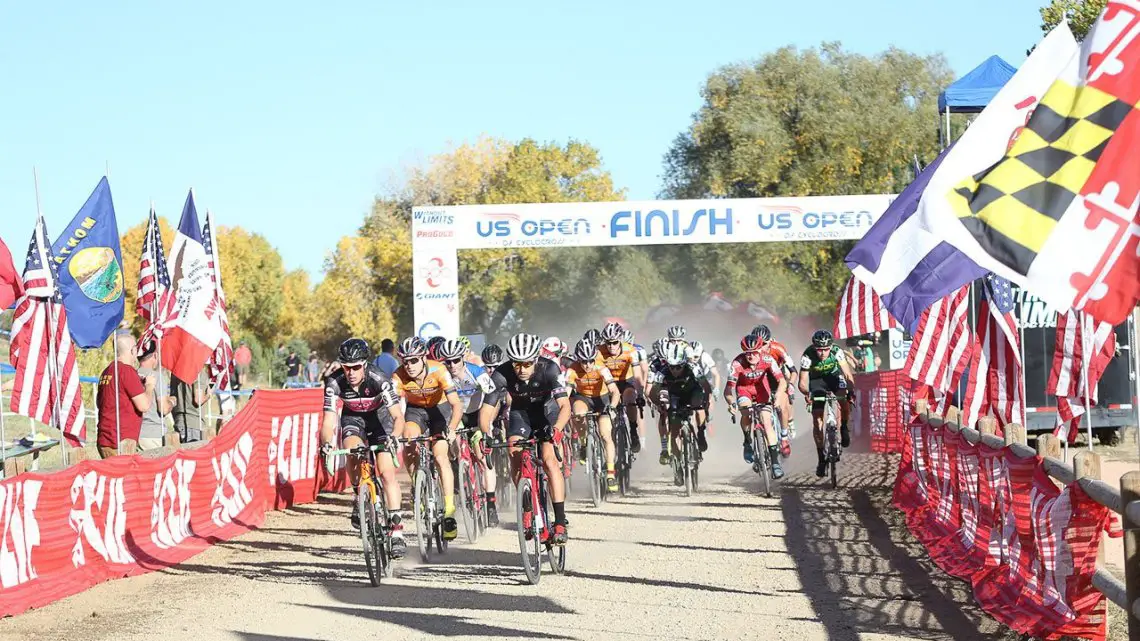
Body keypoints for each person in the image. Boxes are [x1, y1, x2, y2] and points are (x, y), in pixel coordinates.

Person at [318, 338, 408, 557]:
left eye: (356, 366)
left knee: (387, 473)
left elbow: (398, 416)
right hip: (353, 420)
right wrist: (326, 444)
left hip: (380, 420)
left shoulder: (379, 378)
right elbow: (328, 421)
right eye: (346, 367)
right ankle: (359, 494)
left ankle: (397, 531)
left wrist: (395, 436)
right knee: (353, 452)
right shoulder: (334, 382)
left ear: (365, 364)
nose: (350, 372)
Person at [496, 333, 572, 545]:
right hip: (521, 415)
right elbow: (488, 407)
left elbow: (565, 406)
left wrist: (556, 430)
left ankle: (559, 522)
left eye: (527, 364)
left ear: (536, 359)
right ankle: (526, 503)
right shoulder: (501, 372)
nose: (521, 369)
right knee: (513, 451)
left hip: (547, 414)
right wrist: (483, 431)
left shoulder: (550, 368)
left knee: (549, 461)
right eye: (516, 364)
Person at [392, 336, 465, 541]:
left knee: (440, 456)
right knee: (408, 439)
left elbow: (456, 405)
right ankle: (418, 483)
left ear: (424, 358)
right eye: (405, 361)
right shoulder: (398, 376)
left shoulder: (439, 370)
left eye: (414, 360)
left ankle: (449, 511)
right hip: (416, 412)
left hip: (440, 411)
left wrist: (451, 429)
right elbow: (394, 407)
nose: (409, 366)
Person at [437, 338, 503, 526]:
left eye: (455, 360)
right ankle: (460, 475)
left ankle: (490, 504)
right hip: (456, 417)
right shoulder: (443, 374)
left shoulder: (476, 371)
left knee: (483, 458)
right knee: (455, 448)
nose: (451, 365)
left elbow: (493, 393)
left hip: (476, 415)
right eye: (447, 361)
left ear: (463, 358)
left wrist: (488, 418)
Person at [646, 341, 711, 486]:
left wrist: (706, 401)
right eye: (672, 367)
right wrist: (660, 406)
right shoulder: (662, 372)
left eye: (678, 367)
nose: (675, 370)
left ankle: (700, 432)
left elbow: (705, 385)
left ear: (684, 363)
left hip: (691, 392)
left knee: (699, 405)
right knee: (673, 431)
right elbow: (652, 392)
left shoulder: (693, 368)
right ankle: (678, 464)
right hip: (673, 395)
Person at [725, 334, 787, 480]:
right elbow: (728, 389)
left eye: (754, 352)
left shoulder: (767, 359)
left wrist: (778, 396)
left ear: (760, 350)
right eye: (747, 353)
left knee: (767, 422)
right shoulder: (737, 363)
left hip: (761, 390)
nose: (751, 356)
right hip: (744, 390)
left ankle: (775, 463)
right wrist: (731, 403)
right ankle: (747, 440)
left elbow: (782, 381)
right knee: (745, 411)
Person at [797, 329, 857, 478]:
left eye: (825, 349)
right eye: (819, 349)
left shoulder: (837, 351)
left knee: (844, 399)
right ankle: (821, 459)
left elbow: (847, 373)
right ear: (814, 347)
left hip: (834, 377)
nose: (823, 353)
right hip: (817, 381)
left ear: (830, 347)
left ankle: (843, 426)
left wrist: (851, 391)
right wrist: (807, 393)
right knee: (817, 421)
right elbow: (802, 381)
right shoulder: (807, 355)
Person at [567, 338, 621, 492]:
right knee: (577, 412)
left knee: (605, 435)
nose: (588, 365)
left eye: (590, 360)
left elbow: (615, 392)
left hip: (602, 399)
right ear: (578, 359)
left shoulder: (601, 367)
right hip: (583, 398)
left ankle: (611, 473)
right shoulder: (572, 369)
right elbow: (567, 392)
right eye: (584, 361)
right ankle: (584, 443)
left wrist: (612, 407)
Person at [96, 335, 150, 458]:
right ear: (133, 350)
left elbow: (99, 403)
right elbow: (144, 405)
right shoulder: (127, 371)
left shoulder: (107, 371)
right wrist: (149, 387)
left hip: (105, 439)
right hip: (120, 442)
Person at [598, 323, 643, 454]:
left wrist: (640, 395)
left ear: (620, 340)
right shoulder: (599, 352)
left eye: (614, 342)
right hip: (608, 384)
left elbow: (637, 375)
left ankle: (633, 430)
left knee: (630, 398)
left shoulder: (630, 350)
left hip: (626, 381)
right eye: (608, 343)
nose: (611, 346)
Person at [136, 339, 175, 452]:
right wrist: (172, 401)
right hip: (154, 434)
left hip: (135, 433)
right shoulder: (157, 376)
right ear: (155, 355)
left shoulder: (132, 375)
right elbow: (163, 409)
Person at [170, 369, 208, 443]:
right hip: (194, 423)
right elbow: (198, 400)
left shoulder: (175, 372)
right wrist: (208, 395)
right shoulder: (198, 372)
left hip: (179, 421)